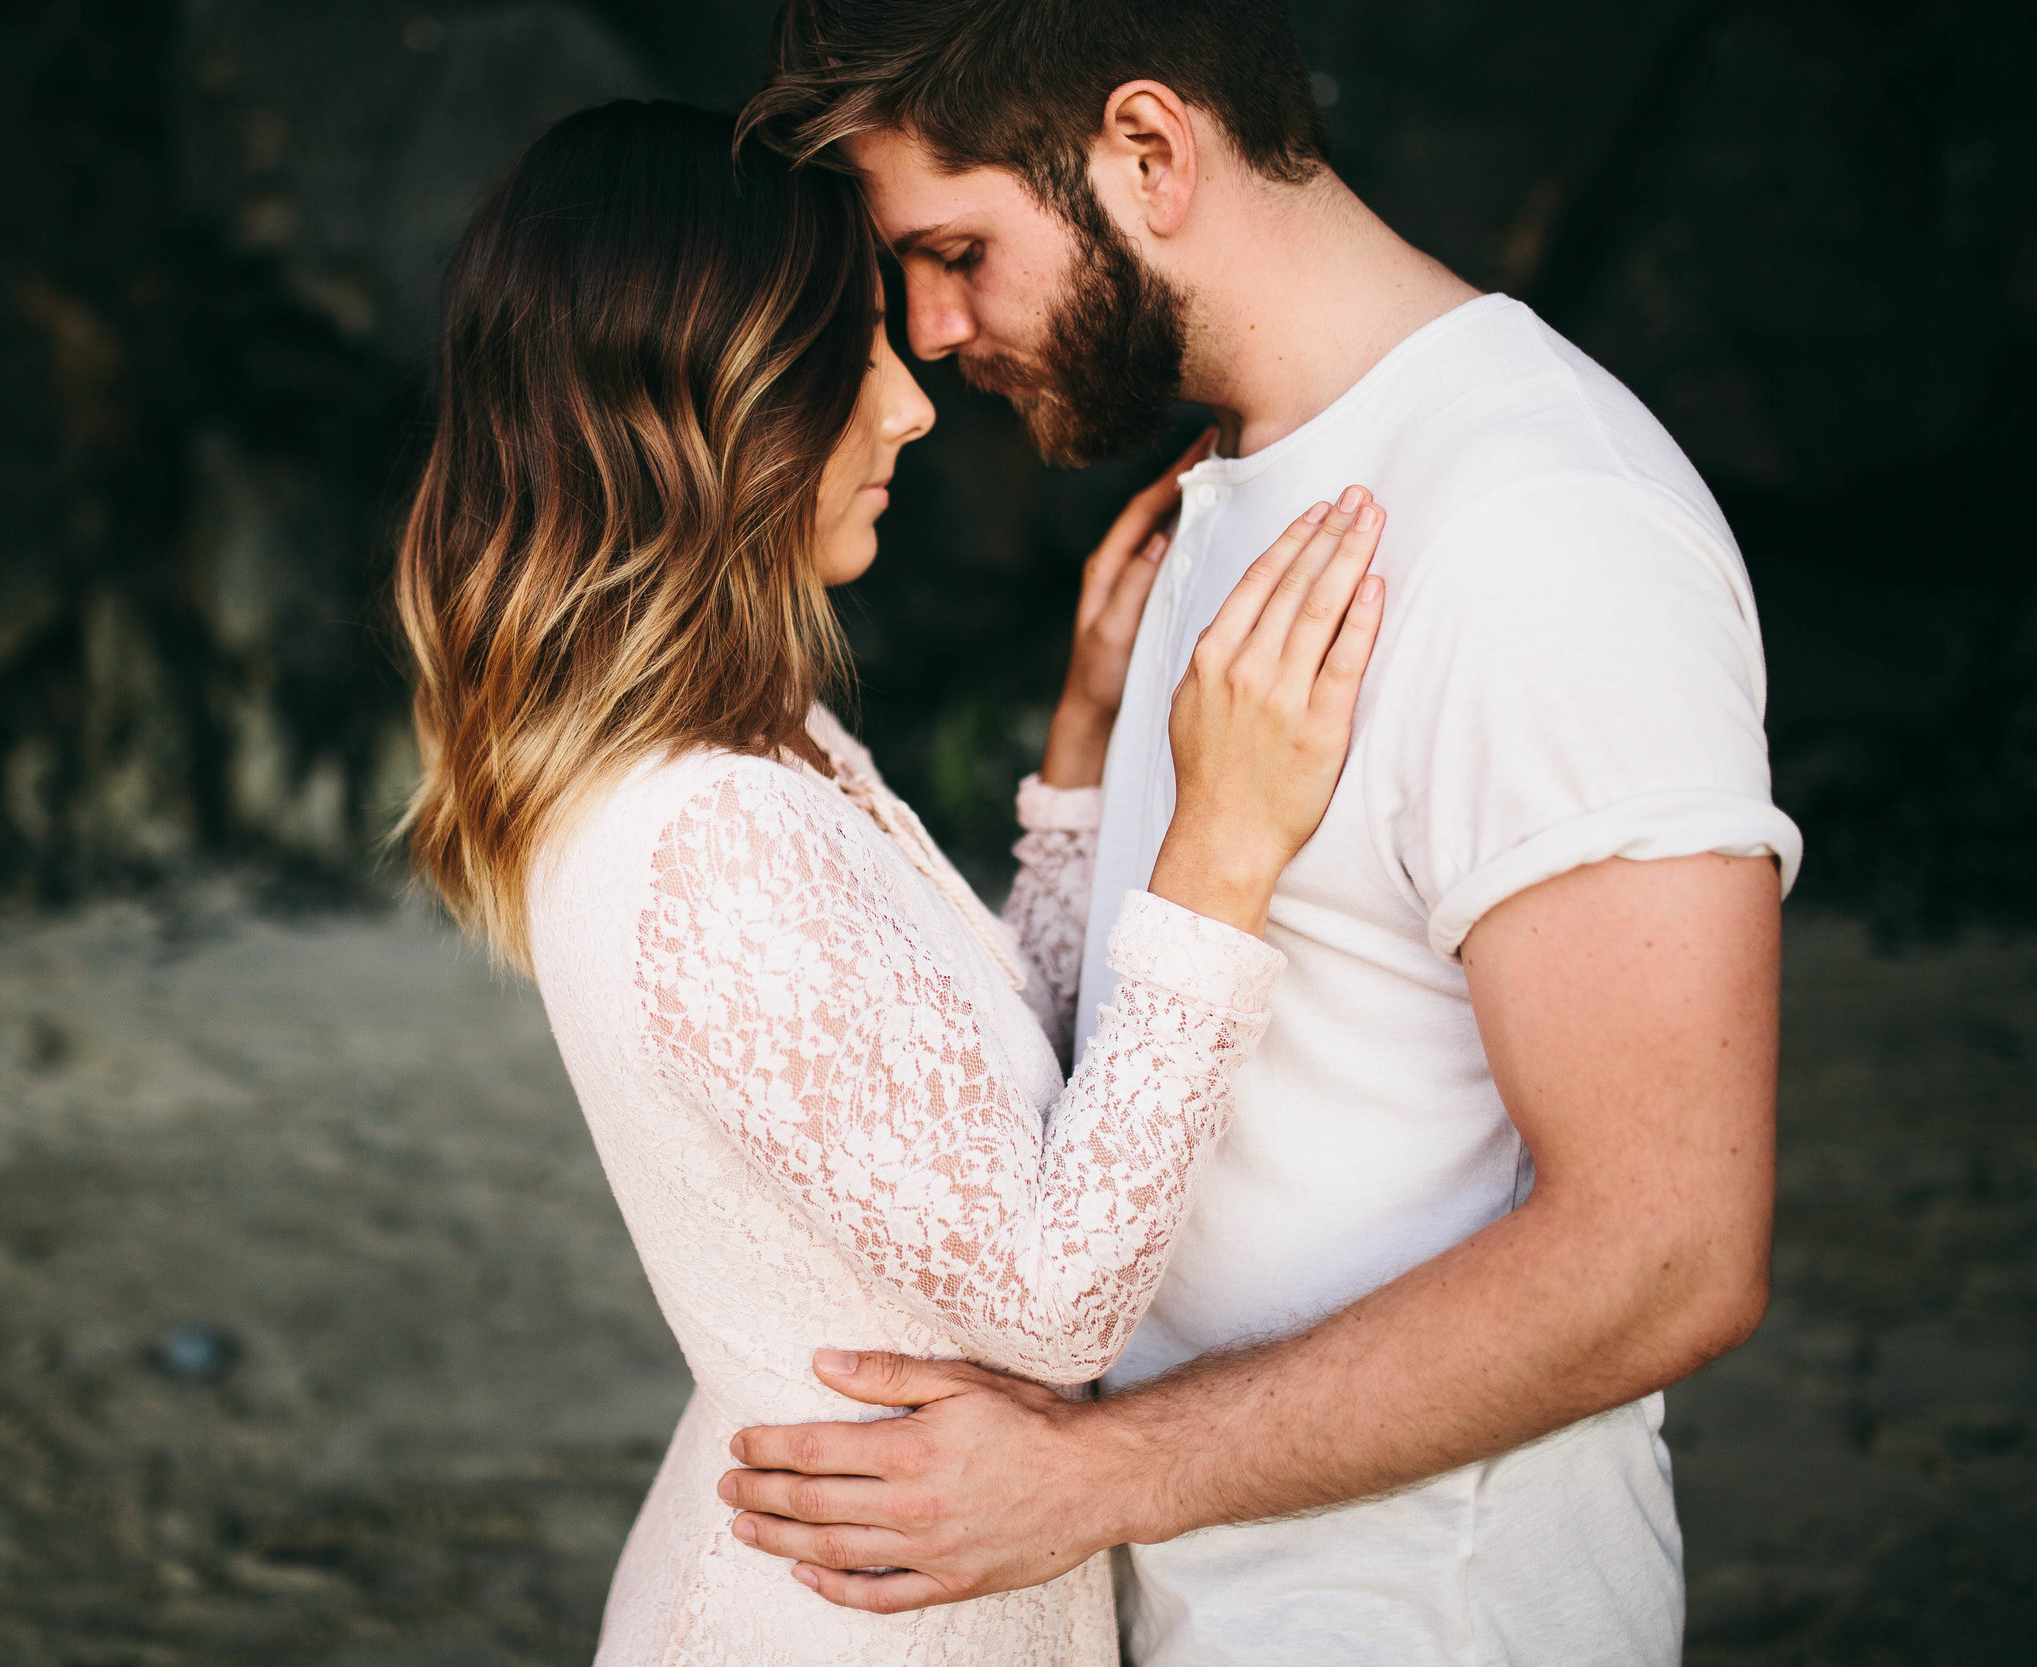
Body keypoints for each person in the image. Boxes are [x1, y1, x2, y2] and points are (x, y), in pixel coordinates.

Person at [720, 4, 1802, 1663]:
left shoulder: (1541, 529)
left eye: (954, 250)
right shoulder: (1244, 479)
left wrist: (1093, 1475)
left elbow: (1668, 1253)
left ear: (1148, 151)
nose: (928, 333)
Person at [395, 100, 1388, 1662]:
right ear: (703, 402)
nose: (913, 406)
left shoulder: (753, 749)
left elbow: (992, 1115)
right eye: (853, 350)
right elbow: (1062, 1299)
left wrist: (1079, 757)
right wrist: (1222, 850)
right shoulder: (707, 836)